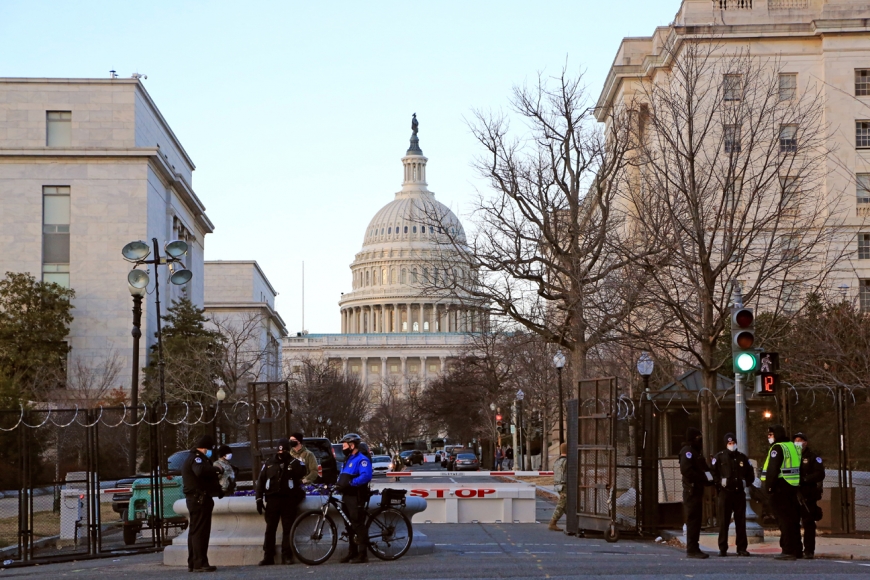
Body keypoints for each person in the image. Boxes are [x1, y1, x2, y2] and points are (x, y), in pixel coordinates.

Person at [255, 437, 307, 565]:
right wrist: (259, 498)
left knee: (288, 529)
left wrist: (293, 464)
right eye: (279, 451)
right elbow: (261, 481)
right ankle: (268, 556)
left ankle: (287, 555)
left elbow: (303, 472)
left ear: (288, 450)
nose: (281, 453)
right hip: (273, 500)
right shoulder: (269, 463)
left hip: (288, 500)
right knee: (270, 529)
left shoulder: (294, 463)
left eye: (283, 451)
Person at [181, 434, 223, 573]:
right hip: (199, 499)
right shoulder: (197, 458)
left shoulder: (193, 458)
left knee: (195, 531)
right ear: (205, 448)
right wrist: (217, 469)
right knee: (200, 532)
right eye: (210, 449)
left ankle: (194, 562)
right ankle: (200, 562)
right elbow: (200, 471)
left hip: (197, 499)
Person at [761, 424, 802, 560]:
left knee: (783, 520)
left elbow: (773, 469)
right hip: (793, 486)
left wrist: (769, 487)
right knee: (793, 519)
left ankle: (788, 549)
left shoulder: (777, 448)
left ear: (777, 435)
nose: (769, 437)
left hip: (780, 486)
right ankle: (797, 549)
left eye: (771, 435)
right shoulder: (792, 446)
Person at [711, 433, 754, 557]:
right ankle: (722, 548)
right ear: (726, 444)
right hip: (725, 493)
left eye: (733, 443)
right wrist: (719, 483)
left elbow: (750, 473)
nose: (732, 445)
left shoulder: (742, 458)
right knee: (724, 521)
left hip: (739, 493)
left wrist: (745, 483)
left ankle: (741, 548)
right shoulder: (719, 457)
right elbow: (713, 472)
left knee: (741, 522)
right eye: (729, 443)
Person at [335, 433, 373, 564]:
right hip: (347, 495)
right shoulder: (348, 459)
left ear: (352, 446)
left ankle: (363, 554)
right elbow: (343, 475)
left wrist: (352, 483)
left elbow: (366, 476)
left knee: (357, 524)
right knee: (349, 525)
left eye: (344, 445)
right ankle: (352, 552)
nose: (342, 448)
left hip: (356, 495)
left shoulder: (362, 459)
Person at [680, 427, 713, 559]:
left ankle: (694, 547)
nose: (700, 440)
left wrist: (711, 479)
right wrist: (703, 478)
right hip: (691, 490)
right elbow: (687, 470)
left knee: (697, 520)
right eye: (698, 438)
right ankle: (692, 548)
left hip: (697, 490)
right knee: (693, 520)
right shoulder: (687, 451)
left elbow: (704, 469)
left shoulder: (695, 452)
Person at [794, 432, 825, 559]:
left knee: (808, 523)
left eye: (800, 440)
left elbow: (820, 474)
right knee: (794, 523)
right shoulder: (790, 457)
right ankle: (796, 549)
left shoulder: (813, 458)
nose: (798, 443)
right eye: (796, 440)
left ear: (806, 442)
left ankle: (809, 550)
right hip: (794, 494)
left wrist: (805, 479)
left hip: (808, 495)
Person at [548, 443, 568, 532]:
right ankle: (553, 522)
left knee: (566, 505)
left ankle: (575, 522)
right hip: (565, 485)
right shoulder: (567, 461)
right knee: (562, 504)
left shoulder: (557, 461)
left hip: (558, 485)